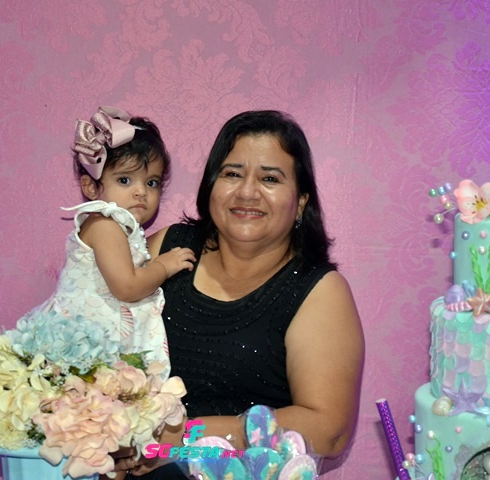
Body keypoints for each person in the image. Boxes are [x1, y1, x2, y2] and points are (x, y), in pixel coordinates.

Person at [122, 110, 365, 478]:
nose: (247, 192)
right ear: (211, 186)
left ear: (301, 201)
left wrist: (183, 437)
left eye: (270, 178)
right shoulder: (167, 250)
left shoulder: (318, 291)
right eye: (233, 174)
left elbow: (330, 430)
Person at [20, 106, 195, 379]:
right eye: (125, 180)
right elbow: (127, 287)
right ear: (91, 187)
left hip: (97, 348)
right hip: (79, 344)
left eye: (151, 183)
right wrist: (163, 266)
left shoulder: (121, 230)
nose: (141, 191)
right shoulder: (105, 225)